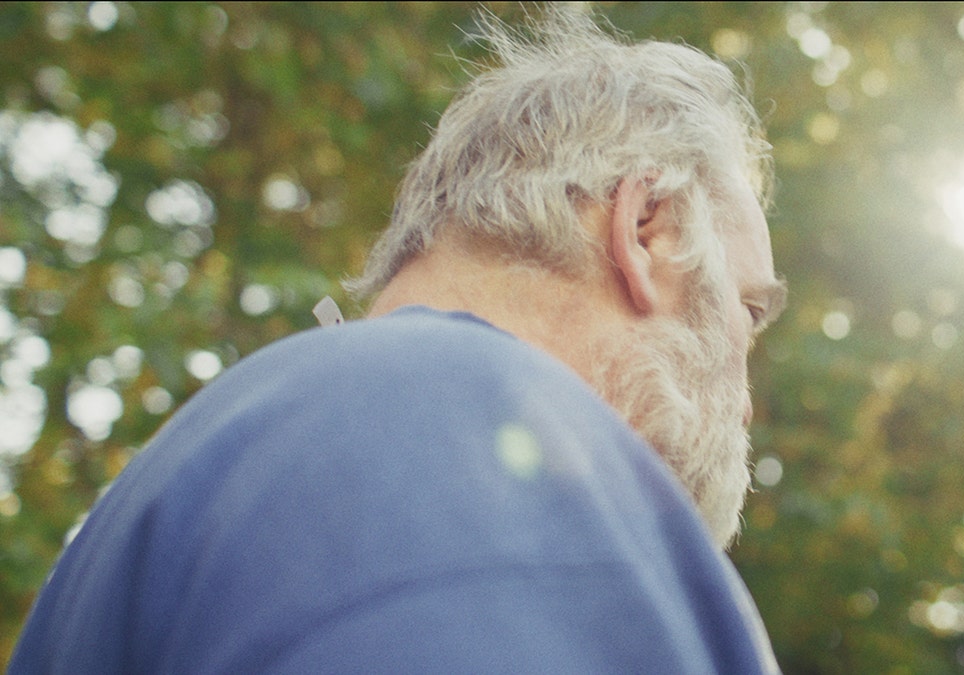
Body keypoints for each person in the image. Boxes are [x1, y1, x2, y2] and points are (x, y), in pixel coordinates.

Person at [10, 7, 787, 673]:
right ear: (646, 228)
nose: (747, 407)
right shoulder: (465, 429)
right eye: (747, 313)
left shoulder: (192, 481)